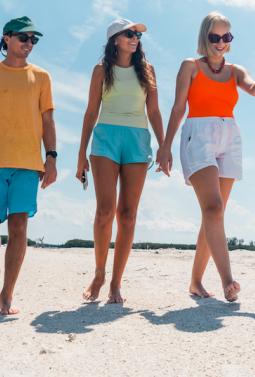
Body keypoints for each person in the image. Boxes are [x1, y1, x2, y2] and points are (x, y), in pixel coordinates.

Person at [158, 11, 255, 302]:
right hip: (199, 135)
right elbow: (177, 108)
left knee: (214, 214)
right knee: (214, 208)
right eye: (215, 37)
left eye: (227, 37)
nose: (221, 42)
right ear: (205, 37)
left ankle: (196, 282)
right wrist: (165, 145)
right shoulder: (190, 66)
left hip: (229, 137)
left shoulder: (235, 70)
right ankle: (228, 282)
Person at [0, 16, 57, 315]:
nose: (29, 43)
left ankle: (7, 292)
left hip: (28, 163)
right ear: (6, 38)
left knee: (19, 226)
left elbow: (48, 120)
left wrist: (51, 157)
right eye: (23, 37)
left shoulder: (41, 77)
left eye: (33, 39)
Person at [77, 19, 165, 303]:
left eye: (137, 34)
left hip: (138, 139)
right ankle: (99, 274)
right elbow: (91, 111)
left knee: (128, 215)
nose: (135, 37)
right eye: (129, 33)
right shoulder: (101, 70)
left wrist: (164, 146)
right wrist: (81, 154)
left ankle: (116, 283)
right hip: (105, 139)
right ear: (114, 39)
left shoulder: (147, 71)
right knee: (105, 210)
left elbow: (154, 111)